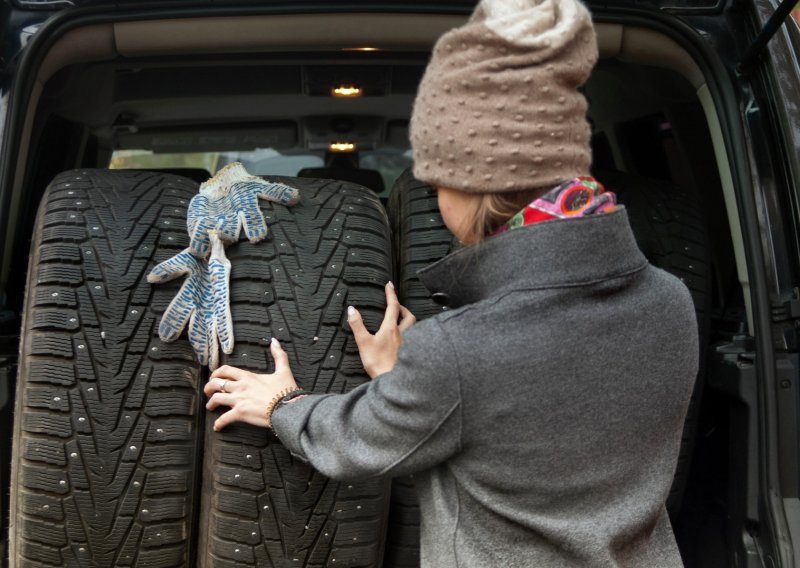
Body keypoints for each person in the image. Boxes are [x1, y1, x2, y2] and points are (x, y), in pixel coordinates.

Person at [203, 0, 698, 565]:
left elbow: (359, 443)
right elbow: (533, 422)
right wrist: (410, 376)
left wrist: (282, 404)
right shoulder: (670, 300)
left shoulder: (458, 349)